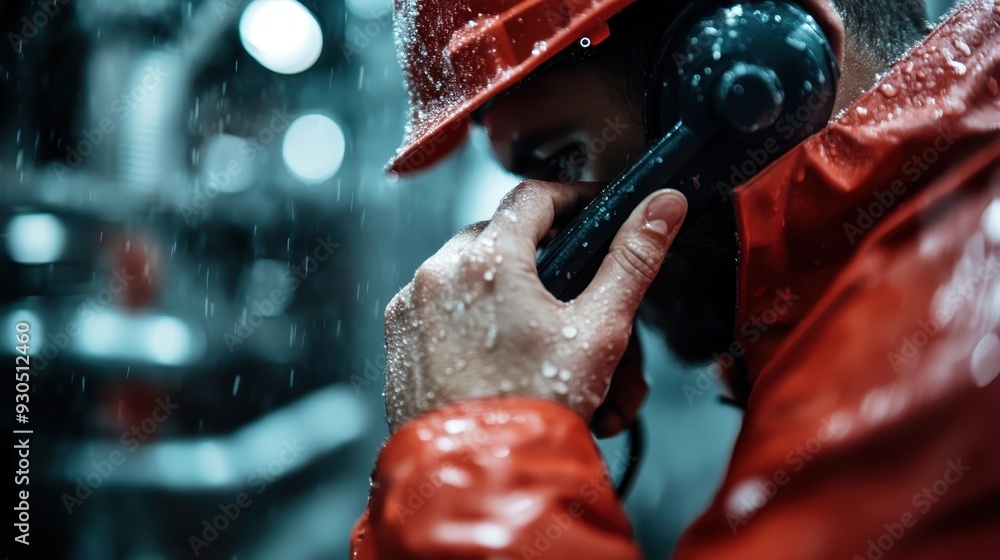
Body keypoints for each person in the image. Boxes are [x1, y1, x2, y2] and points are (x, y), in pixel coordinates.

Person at [353, 0, 1000, 557]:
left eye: (564, 158)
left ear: (759, 73)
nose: (551, 247)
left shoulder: (933, 340)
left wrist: (475, 452)